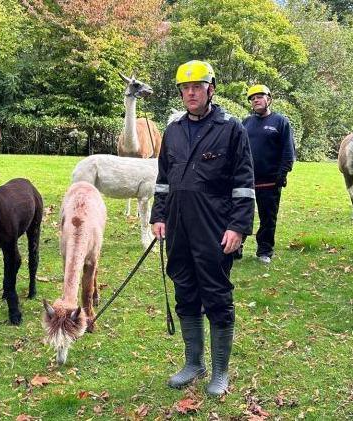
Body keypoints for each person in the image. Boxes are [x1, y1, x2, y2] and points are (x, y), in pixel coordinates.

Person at [150, 60, 255, 396]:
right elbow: (163, 180)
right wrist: (159, 216)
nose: (190, 93)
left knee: (217, 295)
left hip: (215, 227)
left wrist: (238, 226)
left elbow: (243, 183)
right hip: (178, 227)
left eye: (196, 87)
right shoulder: (174, 131)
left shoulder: (231, 128)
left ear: (211, 89)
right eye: (185, 88)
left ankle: (220, 371)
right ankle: (194, 363)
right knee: (185, 292)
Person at [241, 84, 295, 263]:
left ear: (269, 99)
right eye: (252, 98)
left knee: (268, 218)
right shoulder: (246, 123)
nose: (256, 100)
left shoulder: (280, 122)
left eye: (260, 96)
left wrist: (283, 173)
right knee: (241, 214)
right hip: (246, 179)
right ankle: (235, 248)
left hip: (270, 181)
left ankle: (265, 251)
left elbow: (288, 151)